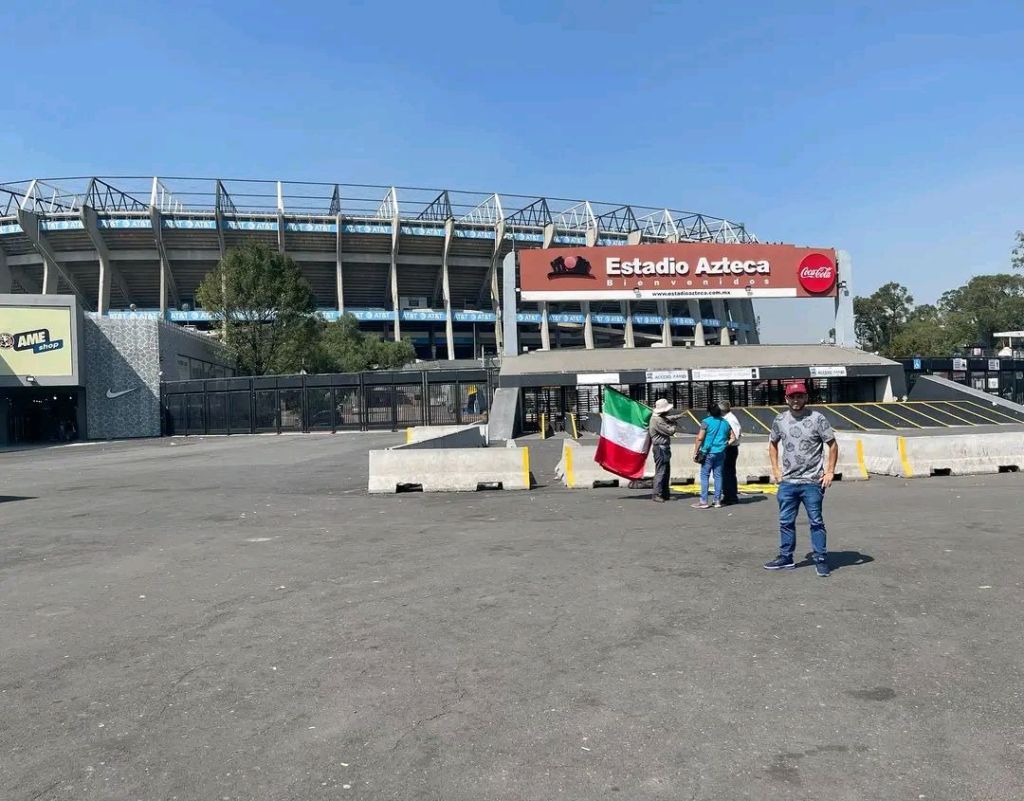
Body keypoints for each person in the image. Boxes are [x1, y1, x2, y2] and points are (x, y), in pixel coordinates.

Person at [763, 381, 839, 577]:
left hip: (812, 482)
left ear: (806, 397)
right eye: (792, 397)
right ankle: (786, 557)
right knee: (785, 521)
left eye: (799, 396)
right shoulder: (780, 420)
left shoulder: (817, 419)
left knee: (816, 522)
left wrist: (830, 471)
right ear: (786, 399)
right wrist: (775, 469)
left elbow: (832, 444)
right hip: (788, 482)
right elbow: (772, 444)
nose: (796, 400)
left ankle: (820, 558)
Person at [692, 402, 735, 509]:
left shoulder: (706, 422)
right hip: (720, 452)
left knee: (704, 476)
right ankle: (717, 501)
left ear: (709, 412)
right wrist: (725, 445)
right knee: (718, 476)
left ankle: (704, 501)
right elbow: (733, 438)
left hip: (708, 452)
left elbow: (700, 438)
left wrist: (695, 452)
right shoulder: (725, 422)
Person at [648, 398, 677, 502]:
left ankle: (665, 494)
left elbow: (667, 418)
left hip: (663, 448)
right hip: (660, 448)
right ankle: (657, 494)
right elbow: (670, 431)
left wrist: (675, 417)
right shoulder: (657, 420)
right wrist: (674, 424)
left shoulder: (658, 418)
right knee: (661, 471)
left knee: (666, 471)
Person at [719, 400, 742, 505]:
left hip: (730, 449)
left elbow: (734, 436)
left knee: (728, 473)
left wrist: (723, 445)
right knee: (726, 473)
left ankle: (731, 496)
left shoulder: (730, 419)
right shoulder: (727, 418)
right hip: (729, 448)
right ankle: (728, 495)